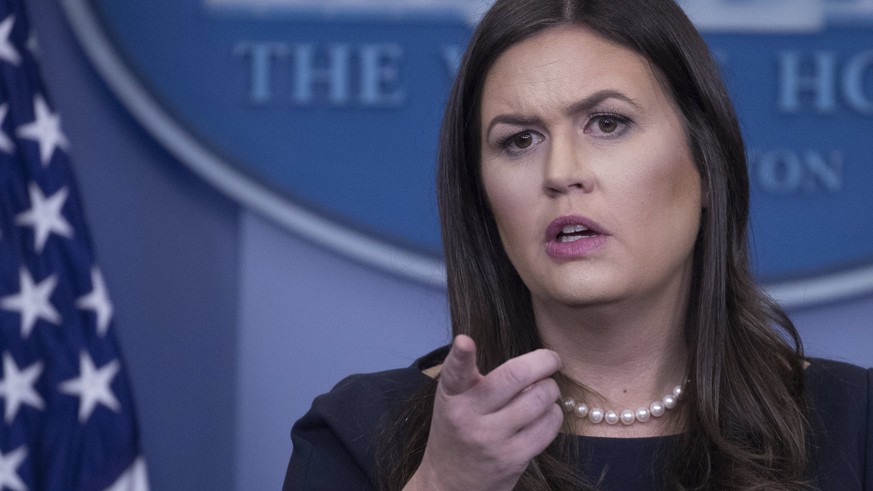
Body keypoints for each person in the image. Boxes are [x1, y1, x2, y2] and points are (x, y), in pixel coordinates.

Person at [283, 0, 872, 489]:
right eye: (519, 140)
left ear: (708, 168)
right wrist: (444, 482)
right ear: (483, 198)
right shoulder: (357, 432)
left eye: (607, 123)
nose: (560, 171)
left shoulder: (855, 424)